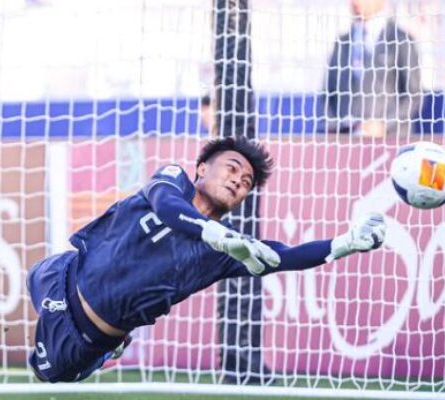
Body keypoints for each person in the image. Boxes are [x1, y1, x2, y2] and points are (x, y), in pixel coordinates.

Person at [27, 136, 386, 383]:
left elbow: (285, 256)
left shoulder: (225, 253)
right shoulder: (172, 180)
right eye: (231, 168)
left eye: (246, 182)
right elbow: (168, 208)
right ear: (201, 168)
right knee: (32, 276)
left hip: (84, 338)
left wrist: (347, 242)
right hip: (60, 276)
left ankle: (108, 350)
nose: (237, 181)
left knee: (45, 375)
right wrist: (215, 233)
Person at [324, 0, 422, 138]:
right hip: (348, 142)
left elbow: (413, 94)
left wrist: (384, 124)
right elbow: (328, 92)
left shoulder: (400, 39)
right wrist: (336, 126)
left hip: (390, 141)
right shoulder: (342, 42)